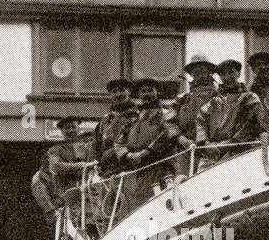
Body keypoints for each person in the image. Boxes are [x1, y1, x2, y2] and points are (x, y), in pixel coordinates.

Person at [100, 77, 178, 215]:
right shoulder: (135, 118)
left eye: (150, 90)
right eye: (143, 91)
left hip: (160, 168)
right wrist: (127, 155)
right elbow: (119, 140)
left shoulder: (166, 113)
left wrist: (146, 152)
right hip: (138, 172)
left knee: (163, 207)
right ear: (139, 94)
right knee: (138, 209)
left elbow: (166, 134)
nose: (146, 94)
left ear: (157, 92)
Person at [194, 59, 265, 166]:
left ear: (238, 73)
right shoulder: (214, 101)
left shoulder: (250, 98)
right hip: (214, 152)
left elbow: (251, 126)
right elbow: (200, 120)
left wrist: (228, 145)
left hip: (241, 150)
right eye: (223, 74)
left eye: (231, 72)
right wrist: (205, 143)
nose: (227, 77)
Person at [168, 56, 220, 162]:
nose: (198, 75)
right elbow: (169, 122)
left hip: (214, 150)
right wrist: (182, 140)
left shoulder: (220, 97)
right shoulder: (182, 99)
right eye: (195, 73)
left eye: (201, 71)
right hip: (186, 151)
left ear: (209, 73)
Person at [94, 78, 138, 162]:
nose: (118, 94)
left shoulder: (138, 116)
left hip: (130, 164)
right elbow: (96, 145)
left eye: (122, 90)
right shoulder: (105, 120)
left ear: (129, 92)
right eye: (114, 92)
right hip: (107, 167)